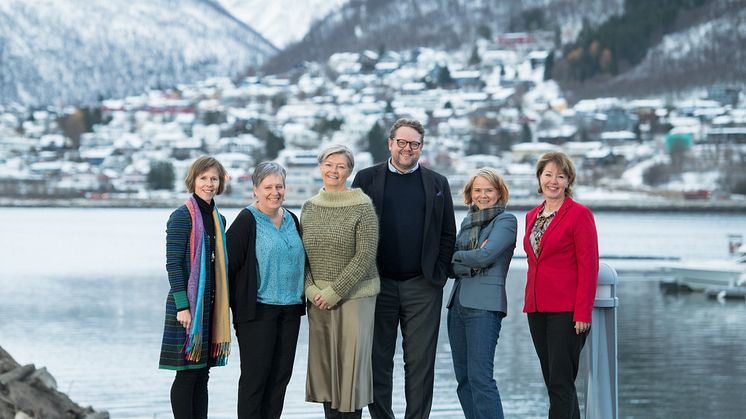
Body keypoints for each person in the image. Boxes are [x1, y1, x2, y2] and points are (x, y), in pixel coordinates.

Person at [352, 118, 456, 419]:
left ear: (421, 148)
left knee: (421, 363)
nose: (407, 149)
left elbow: (447, 233)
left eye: (414, 144)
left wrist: (438, 273)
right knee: (377, 361)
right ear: (390, 143)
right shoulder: (367, 179)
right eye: (402, 142)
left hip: (422, 285)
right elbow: (353, 227)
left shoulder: (438, 183)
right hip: (377, 285)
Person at [302, 145, 380, 419]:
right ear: (320, 166)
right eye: (329, 164)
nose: (334, 170)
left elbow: (366, 255)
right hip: (318, 301)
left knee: (350, 373)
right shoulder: (309, 207)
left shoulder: (362, 206)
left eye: (341, 166)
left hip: (355, 297)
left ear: (349, 171)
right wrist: (311, 290)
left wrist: (335, 291)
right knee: (326, 374)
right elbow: (303, 256)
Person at [226, 162, 305, 419]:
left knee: (280, 379)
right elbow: (228, 268)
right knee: (255, 380)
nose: (275, 192)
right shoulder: (246, 221)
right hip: (257, 313)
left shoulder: (292, 219)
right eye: (268, 187)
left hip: (290, 311)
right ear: (255, 190)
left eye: (279, 186)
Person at [523, 151, 599, 419]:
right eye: (548, 174)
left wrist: (583, 313)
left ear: (568, 181)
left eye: (560, 176)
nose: (553, 181)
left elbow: (589, 266)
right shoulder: (532, 215)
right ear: (539, 177)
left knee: (560, 383)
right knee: (554, 383)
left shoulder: (579, 215)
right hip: (536, 308)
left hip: (567, 312)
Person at [159, 156, 231, 419]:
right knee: (186, 375)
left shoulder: (218, 219)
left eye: (214, 178)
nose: (209, 184)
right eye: (204, 178)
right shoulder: (180, 217)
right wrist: (182, 305)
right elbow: (173, 264)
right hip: (187, 307)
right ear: (193, 180)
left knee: (203, 374)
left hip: (210, 305)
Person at [447, 168, 517, 419]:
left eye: (489, 190)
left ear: (499, 193)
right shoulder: (467, 222)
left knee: (480, 378)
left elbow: (486, 256)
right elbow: (451, 268)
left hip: (485, 308)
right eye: (478, 190)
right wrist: (469, 259)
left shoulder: (506, 222)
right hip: (458, 305)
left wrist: (458, 256)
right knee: (464, 379)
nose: (483, 195)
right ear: (470, 193)